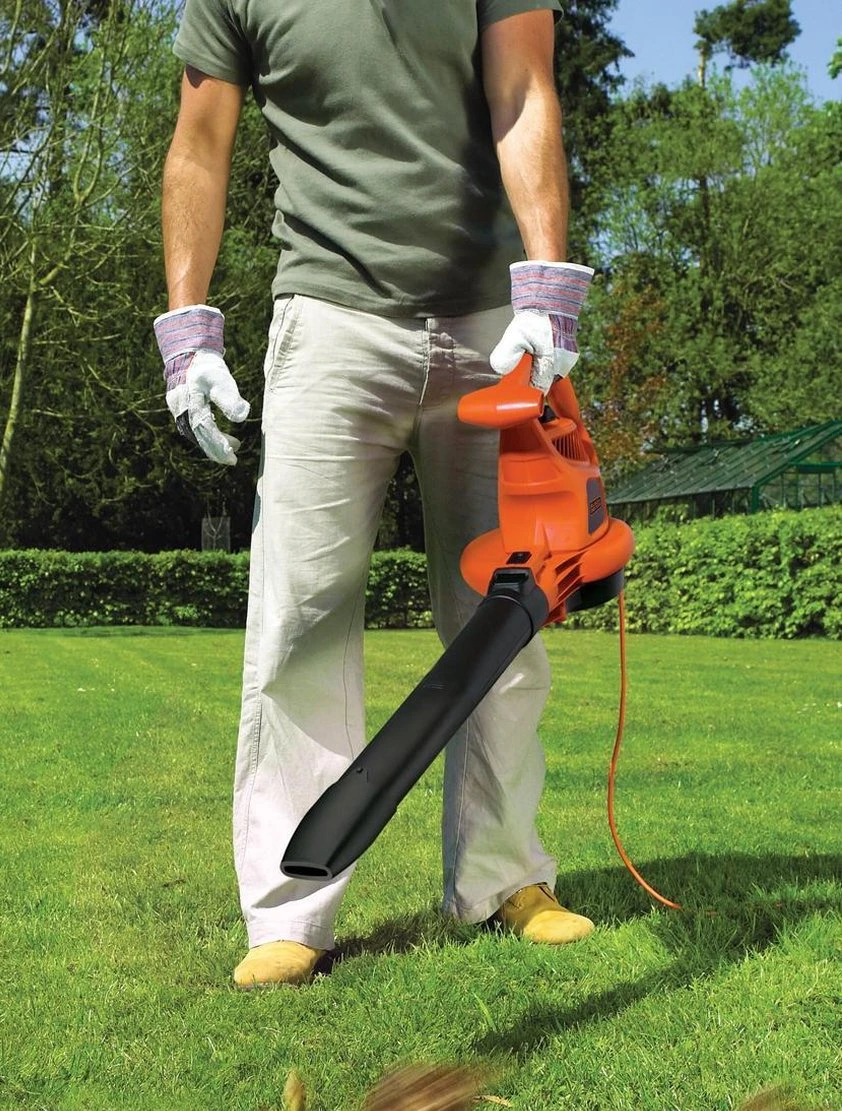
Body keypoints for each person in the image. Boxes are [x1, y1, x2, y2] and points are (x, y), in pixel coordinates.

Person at [155, 0, 597, 989]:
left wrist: (545, 282)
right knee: (301, 616)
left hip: (489, 319)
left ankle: (503, 878)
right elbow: (199, 145)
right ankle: (290, 912)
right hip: (327, 320)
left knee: (504, 609)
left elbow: (523, 88)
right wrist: (187, 327)